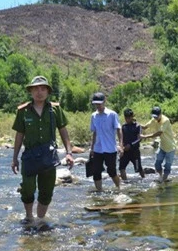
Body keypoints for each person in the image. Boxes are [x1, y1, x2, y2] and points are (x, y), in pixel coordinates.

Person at [11, 75, 74, 226]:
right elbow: (19, 135)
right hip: (30, 157)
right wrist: (14, 158)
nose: (39, 92)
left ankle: (39, 220)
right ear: (31, 92)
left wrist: (69, 152)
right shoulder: (23, 111)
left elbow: (63, 131)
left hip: (48, 156)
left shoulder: (55, 109)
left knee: (46, 191)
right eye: (36, 89)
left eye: (43, 88)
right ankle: (29, 217)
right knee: (27, 188)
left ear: (47, 91)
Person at [89, 92, 123, 192]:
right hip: (98, 148)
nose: (98, 106)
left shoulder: (112, 114)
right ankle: (99, 192)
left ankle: (119, 188)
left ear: (104, 102)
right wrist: (92, 148)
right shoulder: (93, 116)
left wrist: (120, 145)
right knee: (96, 172)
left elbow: (118, 129)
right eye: (96, 104)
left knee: (112, 172)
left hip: (110, 148)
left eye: (99, 103)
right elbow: (94, 132)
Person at [141, 106, 176, 182]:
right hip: (162, 146)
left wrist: (145, 136)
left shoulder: (165, 120)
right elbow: (144, 127)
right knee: (157, 164)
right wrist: (135, 123)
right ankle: (160, 177)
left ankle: (164, 179)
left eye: (156, 116)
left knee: (167, 166)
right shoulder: (154, 119)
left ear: (160, 114)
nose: (155, 118)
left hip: (170, 147)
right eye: (154, 116)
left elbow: (159, 133)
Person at [119, 108, 145, 181]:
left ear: (132, 116)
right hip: (125, 151)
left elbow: (139, 138)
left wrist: (130, 145)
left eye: (129, 117)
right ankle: (125, 182)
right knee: (121, 168)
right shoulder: (123, 126)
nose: (127, 119)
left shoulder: (137, 126)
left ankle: (144, 179)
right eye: (126, 117)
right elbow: (121, 138)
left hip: (134, 152)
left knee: (138, 168)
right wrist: (121, 147)